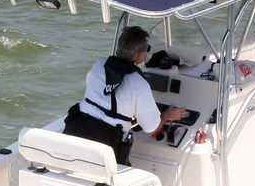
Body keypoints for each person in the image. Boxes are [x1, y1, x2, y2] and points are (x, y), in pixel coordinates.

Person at [63, 26, 185, 164]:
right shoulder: (139, 84)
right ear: (139, 55)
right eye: (147, 49)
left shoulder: (99, 66)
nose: (146, 54)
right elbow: (151, 127)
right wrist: (168, 115)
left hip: (75, 130)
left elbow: (103, 97)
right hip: (104, 144)